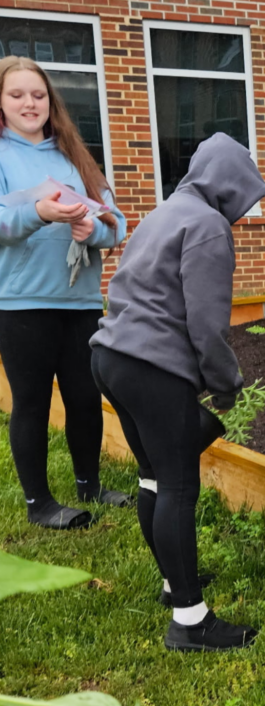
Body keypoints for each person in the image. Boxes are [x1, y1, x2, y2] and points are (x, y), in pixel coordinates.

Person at [90, 133, 265, 652]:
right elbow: (207, 326)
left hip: (110, 356)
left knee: (153, 477)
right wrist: (226, 385)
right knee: (178, 487)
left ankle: (175, 586)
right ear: (229, 184)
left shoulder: (164, 212)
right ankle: (191, 622)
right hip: (153, 366)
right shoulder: (209, 226)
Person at [0, 56, 128, 530]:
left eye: (38, 94)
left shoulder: (74, 154)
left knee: (84, 396)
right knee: (31, 401)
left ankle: (90, 485)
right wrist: (39, 211)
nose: (29, 103)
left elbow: (117, 225)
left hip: (80, 301)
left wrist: (90, 229)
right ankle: (40, 505)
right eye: (16, 95)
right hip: (21, 303)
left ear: (50, 101)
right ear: (1, 102)